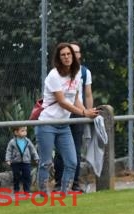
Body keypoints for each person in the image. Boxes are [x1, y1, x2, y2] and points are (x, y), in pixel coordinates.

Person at [35, 43, 98, 193]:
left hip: (64, 125)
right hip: (47, 123)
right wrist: (83, 114)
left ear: (74, 56)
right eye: (63, 55)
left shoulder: (77, 74)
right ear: (58, 58)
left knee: (72, 161)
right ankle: (43, 194)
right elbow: (63, 101)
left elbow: (76, 99)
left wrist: (88, 112)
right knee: (46, 162)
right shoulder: (54, 75)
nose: (67, 57)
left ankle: (64, 193)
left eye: (69, 54)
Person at [53, 41, 94, 192]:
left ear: (79, 55)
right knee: (60, 151)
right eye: (69, 52)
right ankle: (59, 184)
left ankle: (74, 184)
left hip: (78, 114)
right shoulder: (56, 73)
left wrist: (88, 113)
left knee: (75, 150)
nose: (72, 55)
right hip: (61, 115)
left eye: (75, 52)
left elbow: (87, 94)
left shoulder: (84, 72)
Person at [5, 126, 39, 193]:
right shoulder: (12, 142)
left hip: (26, 162)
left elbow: (33, 150)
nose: (25, 132)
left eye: (25, 131)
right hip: (15, 162)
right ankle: (16, 189)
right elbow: (8, 151)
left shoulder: (27, 141)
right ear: (16, 132)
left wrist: (36, 158)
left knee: (27, 175)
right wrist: (8, 159)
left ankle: (27, 190)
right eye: (22, 131)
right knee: (16, 175)